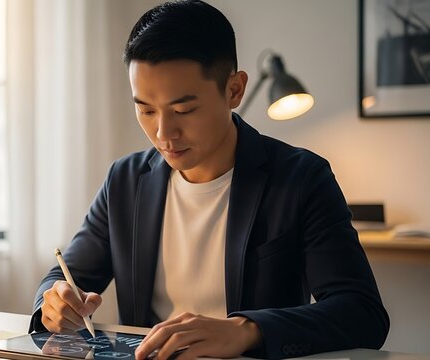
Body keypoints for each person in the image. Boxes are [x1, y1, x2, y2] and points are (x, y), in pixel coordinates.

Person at [29, 1, 390, 359]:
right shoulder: (125, 181)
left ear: (234, 90)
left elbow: (362, 313)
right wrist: (55, 300)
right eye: (146, 109)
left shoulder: (300, 178)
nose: (163, 133)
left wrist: (248, 329)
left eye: (184, 110)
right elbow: (64, 279)